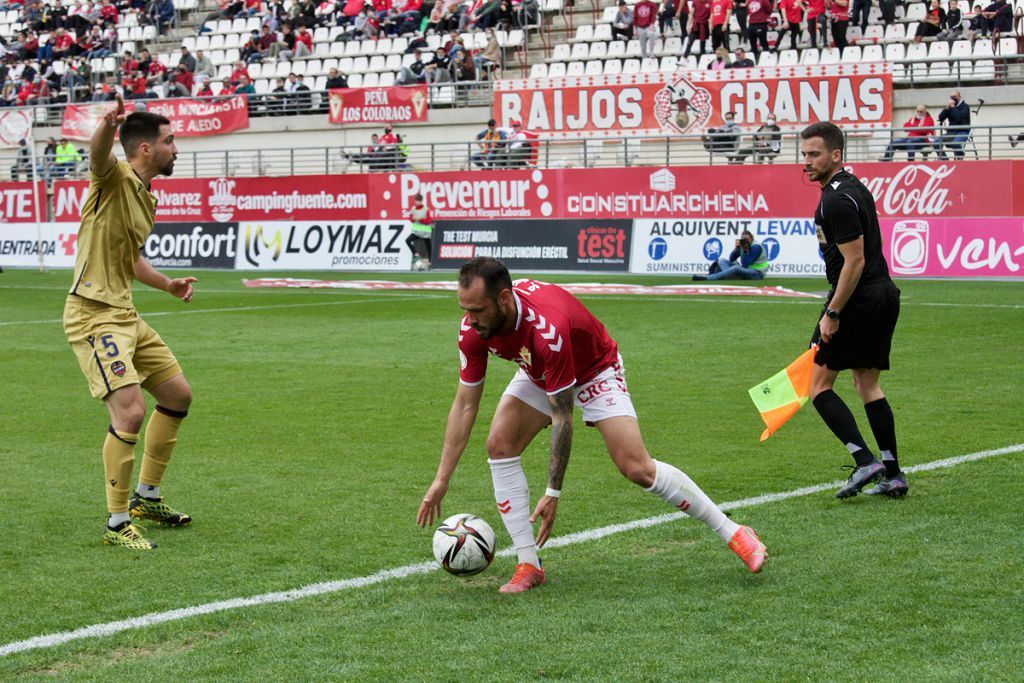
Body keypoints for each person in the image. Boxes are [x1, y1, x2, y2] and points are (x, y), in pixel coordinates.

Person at [416, 258, 768, 593]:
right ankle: (529, 565)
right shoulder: (472, 331)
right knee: (500, 445)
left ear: (504, 299)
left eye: (477, 310)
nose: (469, 319)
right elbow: (464, 404)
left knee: (636, 467)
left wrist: (553, 492)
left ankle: (734, 532)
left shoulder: (546, 329)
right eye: (464, 308)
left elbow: (562, 418)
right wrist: (441, 480)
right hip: (539, 371)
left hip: (594, 369)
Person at [62, 95, 197, 551]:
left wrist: (168, 285)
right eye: (169, 140)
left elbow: (133, 258)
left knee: (177, 395)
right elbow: (98, 155)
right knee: (131, 410)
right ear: (144, 149)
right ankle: (117, 522)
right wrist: (105, 124)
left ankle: (146, 497)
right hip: (93, 313)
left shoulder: (146, 198)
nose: (176, 148)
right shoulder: (113, 177)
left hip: (124, 313)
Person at [799, 121, 907, 499]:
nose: (807, 161)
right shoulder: (854, 187)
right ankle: (893, 473)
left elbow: (854, 261)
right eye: (804, 154)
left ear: (836, 154)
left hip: (856, 299)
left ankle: (864, 460)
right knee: (867, 383)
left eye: (814, 154)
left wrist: (833, 312)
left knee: (817, 387)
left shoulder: (833, 199)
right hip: (883, 294)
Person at [694, 229, 769, 280]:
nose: (746, 241)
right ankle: (729, 275)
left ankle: (709, 278)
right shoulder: (742, 245)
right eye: (744, 240)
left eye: (747, 240)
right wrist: (736, 248)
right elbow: (732, 259)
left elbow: (745, 264)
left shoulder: (756, 247)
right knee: (722, 260)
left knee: (736, 268)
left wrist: (744, 250)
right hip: (747, 270)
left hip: (757, 272)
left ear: (751, 239)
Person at [937, 90, 970, 160]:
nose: (953, 98)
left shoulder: (965, 106)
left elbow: (959, 117)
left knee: (955, 143)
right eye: (951, 97)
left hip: (962, 131)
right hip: (951, 132)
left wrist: (953, 107)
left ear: (959, 97)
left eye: (955, 97)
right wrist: (946, 108)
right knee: (936, 143)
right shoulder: (950, 107)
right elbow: (940, 118)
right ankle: (945, 159)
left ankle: (960, 156)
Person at [405, 193, 433, 269]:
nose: (418, 202)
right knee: (407, 240)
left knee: (428, 246)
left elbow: (428, 221)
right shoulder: (413, 209)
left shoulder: (426, 209)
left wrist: (420, 219)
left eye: (419, 201)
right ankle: (415, 253)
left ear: (422, 201)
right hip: (417, 231)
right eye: (416, 201)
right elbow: (410, 219)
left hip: (425, 231)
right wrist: (413, 219)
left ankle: (430, 262)